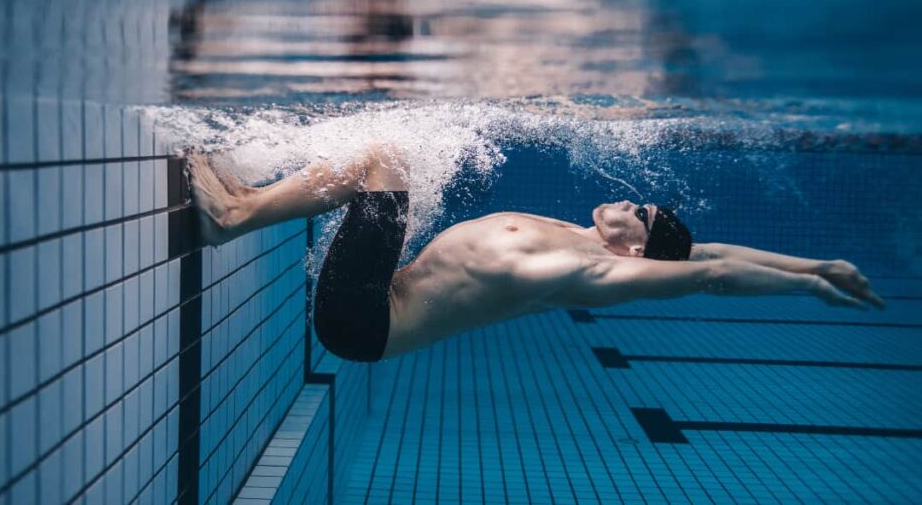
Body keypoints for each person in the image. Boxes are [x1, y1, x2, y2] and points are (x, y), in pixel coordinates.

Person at [186, 145, 885, 363]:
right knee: (384, 161)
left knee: (382, 161)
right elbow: (717, 249)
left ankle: (234, 214)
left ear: (634, 247)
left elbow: (714, 275)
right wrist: (816, 265)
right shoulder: (584, 234)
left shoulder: (589, 267)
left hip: (363, 321)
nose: (632, 199)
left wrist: (806, 294)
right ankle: (247, 198)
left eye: (639, 212)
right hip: (378, 297)